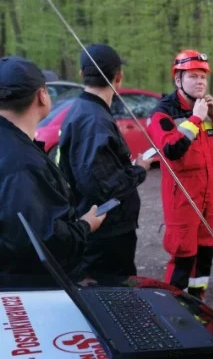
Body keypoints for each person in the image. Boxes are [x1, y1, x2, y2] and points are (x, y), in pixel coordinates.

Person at [0, 56, 104, 280]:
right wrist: (86, 226)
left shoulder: (14, 148)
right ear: (41, 96)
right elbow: (41, 243)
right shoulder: (22, 164)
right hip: (26, 291)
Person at [58, 44, 152, 281]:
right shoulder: (93, 119)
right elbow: (101, 185)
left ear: (82, 75)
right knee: (113, 294)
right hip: (107, 233)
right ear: (119, 77)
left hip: (104, 228)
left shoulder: (87, 110)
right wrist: (139, 170)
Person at [146, 49, 213, 300]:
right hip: (182, 198)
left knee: (205, 254)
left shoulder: (205, 109)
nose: (200, 81)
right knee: (183, 257)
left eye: (203, 76)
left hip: (208, 195)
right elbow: (171, 149)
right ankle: (174, 309)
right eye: (193, 76)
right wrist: (196, 119)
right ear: (178, 79)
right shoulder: (162, 113)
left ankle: (197, 305)